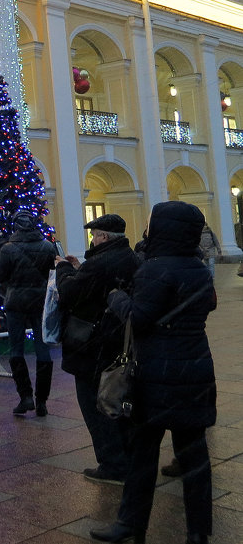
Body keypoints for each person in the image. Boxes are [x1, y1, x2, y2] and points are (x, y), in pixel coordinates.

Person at [90, 201, 217, 544]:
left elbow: (139, 317)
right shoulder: (199, 268)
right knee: (195, 458)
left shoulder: (154, 269)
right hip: (196, 371)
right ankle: (198, 532)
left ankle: (131, 524)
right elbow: (209, 304)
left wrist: (117, 297)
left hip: (156, 375)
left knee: (143, 455)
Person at [55, 213, 139, 485]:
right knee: (117, 399)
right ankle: (127, 457)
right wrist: (81, 269)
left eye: (95, 235)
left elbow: (70, 293)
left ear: (104, 237)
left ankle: (112, 464)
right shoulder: (130, 257)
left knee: (95, 403)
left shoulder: (100, 262)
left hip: (93, 343)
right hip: (119, 341)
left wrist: (63, 270)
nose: (93, 238)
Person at [0, 210, 56, 416]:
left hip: (16, 303)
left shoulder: (8, 249)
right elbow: (52, 273)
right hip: (40, 303)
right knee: (43, 349)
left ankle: (25, 397)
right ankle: (42, 402)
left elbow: (0, 275)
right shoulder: (48, 246)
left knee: (16, 350)